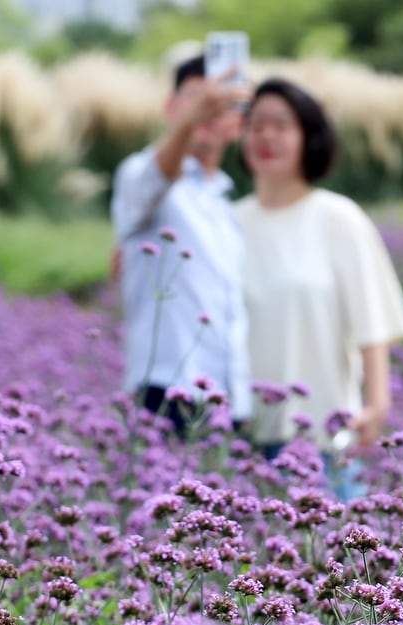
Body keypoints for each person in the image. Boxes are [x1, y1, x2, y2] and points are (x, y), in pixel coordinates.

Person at [235, 77, 403, 501]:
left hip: (322, 438)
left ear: (308, 138)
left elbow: (373, 322)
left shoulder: (339, 219)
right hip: (240, 440)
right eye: (256, 124)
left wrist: (376, 404)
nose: (267, 136)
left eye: (282, 124)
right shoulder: (227, 223)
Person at [111, 55, 254, 436]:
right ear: (171, 108)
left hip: (227, 397)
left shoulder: (226, 203)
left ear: (239, 124)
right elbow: (155, 179)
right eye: (196, 98)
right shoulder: (140, 175)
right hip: (164, 387)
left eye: (221, 104)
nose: (207, 111)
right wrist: (190, 124)